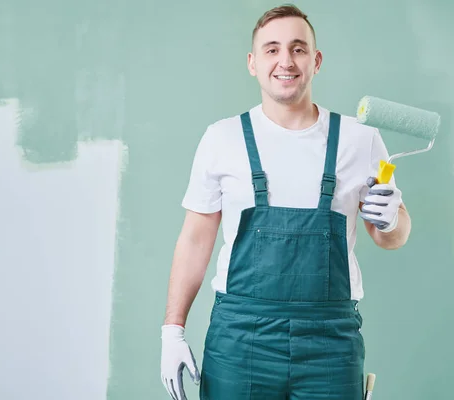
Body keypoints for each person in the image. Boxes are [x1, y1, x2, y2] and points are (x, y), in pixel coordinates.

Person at [160, 4, 411, 400]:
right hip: (239, 339)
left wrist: (392, 219)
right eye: (272, 49)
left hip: (331, 343)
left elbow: (392, 238)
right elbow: (195, 240)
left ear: (316, 60)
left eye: (298, 48)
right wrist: (172, 331)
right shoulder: (221, 139)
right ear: (253, 63)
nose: (286, 61)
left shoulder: (361, 140)